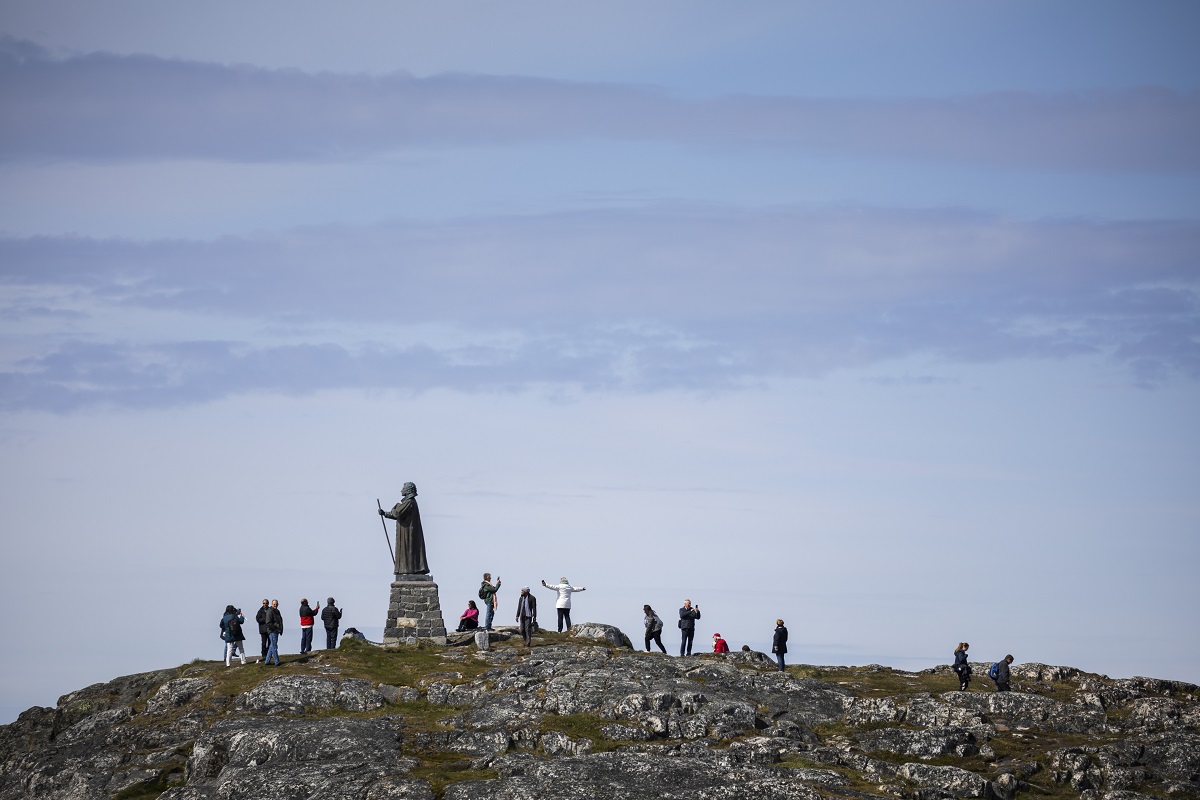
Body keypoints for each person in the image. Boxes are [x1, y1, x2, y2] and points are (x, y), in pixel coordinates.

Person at [379, 482, 429, 575]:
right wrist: (385, 513)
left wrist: (395, 506)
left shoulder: (409, 502)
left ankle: (410, 570)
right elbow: (397, 514)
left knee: (408, 550)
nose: (401, 490)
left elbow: (397, 513)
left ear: (408, 490)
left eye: (403, 488)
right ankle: (406, 569)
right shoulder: (408, 502)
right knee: (406, 550)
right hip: (405, 532)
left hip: (408, 533)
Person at [264, 599, 284, 666]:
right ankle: (277, 661)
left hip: (276, 630)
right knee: (274, 646)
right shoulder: (270, 611)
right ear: (272, 604)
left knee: (272, 646)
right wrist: (275, 627)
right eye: (274, 604)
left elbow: (279, 620)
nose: (275, 605)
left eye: (276, 604)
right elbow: (268, 622)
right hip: (272, 631)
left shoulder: (277, 611)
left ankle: (267, 661)